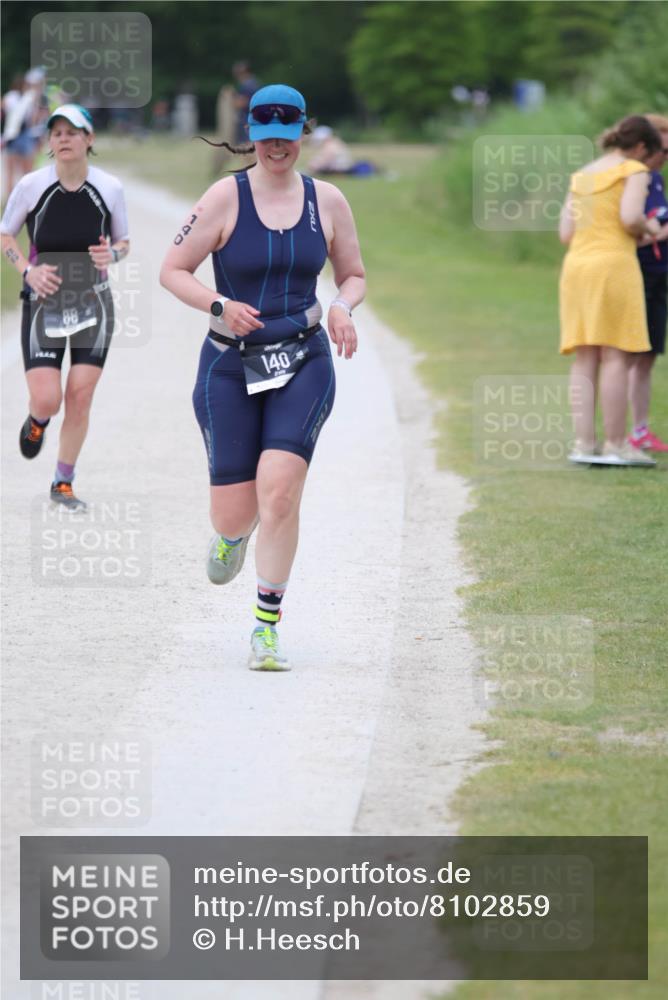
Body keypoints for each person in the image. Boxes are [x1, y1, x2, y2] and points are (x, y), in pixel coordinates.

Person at [160, 83, 365, 671]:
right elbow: (173, 270)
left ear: (304, 132)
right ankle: (231, 534)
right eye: (267, 137)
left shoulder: (328, 200)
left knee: (280, 493)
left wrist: (341, 306)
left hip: (303, 357)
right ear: (252, 135)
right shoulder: (224, 198)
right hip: (229, 363)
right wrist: (219, 305)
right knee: (235, 513)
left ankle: (266, 629)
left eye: (288, 136)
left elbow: (352, 274)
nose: (278, 147)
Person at [0, 103, 130, 511]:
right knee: (48, 400)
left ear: (89, 139)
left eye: (72, 132)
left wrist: (115, 255)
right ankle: (37, 420)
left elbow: (124, 242)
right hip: (43, 302)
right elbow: (5, 235)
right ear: (49, 142)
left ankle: (63, 482)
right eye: (56, 133)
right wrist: (26, 271)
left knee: (80, 395)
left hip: (94, 303)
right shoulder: (32, 186)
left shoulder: (109, 188)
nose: (64, 139)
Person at [558, 114, 662, 466]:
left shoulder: (583, 174)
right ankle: (617, 445)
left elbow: (565, 233)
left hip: (577, 267)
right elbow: (630, 217)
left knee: (585, 355)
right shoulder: (633, 170)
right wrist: (649, 228)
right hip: (614, 265)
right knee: (616, 355)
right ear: (642, 147)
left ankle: (584, 444)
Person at [628, 113, 668, 452]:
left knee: (649, 354)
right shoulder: (633, 179)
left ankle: (640, 429)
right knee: (629, 355)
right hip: (635, 272)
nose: (665, 158)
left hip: (658, 274)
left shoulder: (656, 180)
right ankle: (622, 431)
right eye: (664, 151)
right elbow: (627, 232)